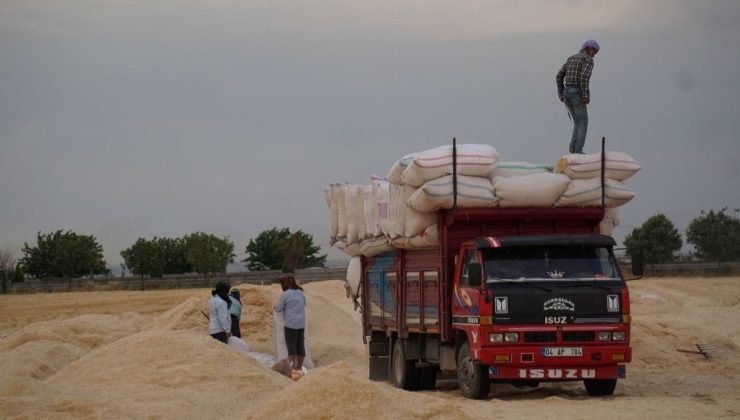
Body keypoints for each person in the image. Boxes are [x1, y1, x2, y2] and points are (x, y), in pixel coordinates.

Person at [556, 39, 600, 154]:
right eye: (594, 51)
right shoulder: (588, 60)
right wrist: (586, 95)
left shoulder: (571, 58)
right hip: (576, 93)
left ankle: (573, 147)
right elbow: (584, 77)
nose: (595, 54)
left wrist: (561, 93)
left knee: (577, 122)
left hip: (566, 93)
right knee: (583, 122)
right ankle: (578, 152)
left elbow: (559, 75)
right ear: (589, 49)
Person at [273, 275, 306, 370]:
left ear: (284, 284)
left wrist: (274, 306)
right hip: (301, 324)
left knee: (291, 347)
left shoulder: (285, 294)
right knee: (300, 345)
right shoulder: (300, 292)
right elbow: (304, 304)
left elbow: (278, 308)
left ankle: (292, 368)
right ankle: (299, 368)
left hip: (290, 324)